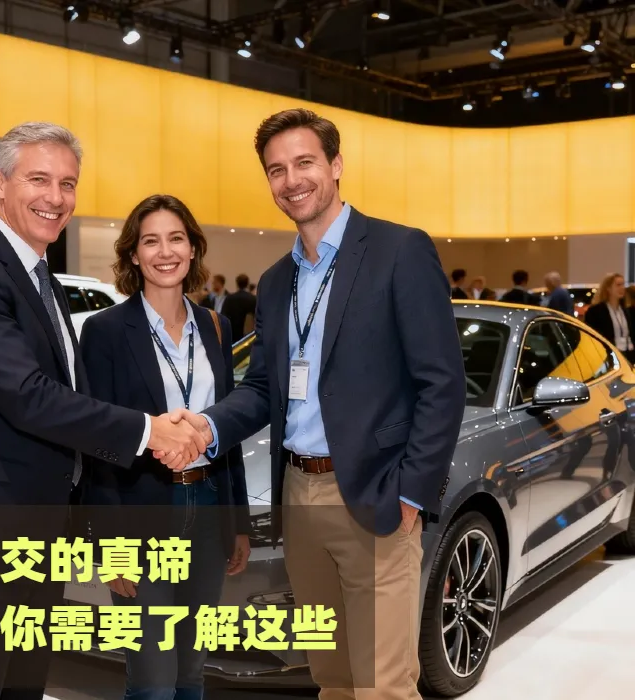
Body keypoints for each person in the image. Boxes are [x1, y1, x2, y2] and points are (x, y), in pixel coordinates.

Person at [163, 108, 465, 700]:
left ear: (336, 165)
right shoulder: (278, 280)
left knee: (383, 685)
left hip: (375, 497)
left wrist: (411, 493)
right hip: (298, 496)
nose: (291, 180)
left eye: (304, 163)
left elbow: (442, 382)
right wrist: (205, 425)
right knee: (332, 679)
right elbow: (263, 388)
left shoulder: (399, 250)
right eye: (276, 170)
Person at [0, 122, 206, 699]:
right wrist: (148, 430)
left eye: (67, 184)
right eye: (38, 179)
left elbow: (65, 393)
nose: (56, 197)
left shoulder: (37, 275)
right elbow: (28, 395)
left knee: (21, 686)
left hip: (37, 529)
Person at [79, 193, 252, 700]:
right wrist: (108, 545)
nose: (165, 251)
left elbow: (226, 429)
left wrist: (238, 520)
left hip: (208, 506)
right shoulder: (105, 331)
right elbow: (96, 443)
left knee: (191, 672)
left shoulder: (215, 326)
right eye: (150, 241)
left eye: (176, 238)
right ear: (133, 255)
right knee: (153, 679)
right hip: (141, 511)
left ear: (193, 248)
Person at [584, 272, 635, 363]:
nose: (622, 288)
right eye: (618, 285)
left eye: (623, 284)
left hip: (629, 355)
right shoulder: (596, 311)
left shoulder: (626, 310)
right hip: (609, 357)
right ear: (608, 288)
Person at [221, 273, 257, 341]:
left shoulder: (229, 298)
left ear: (237, 283)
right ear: (247, 284)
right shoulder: (252, 299)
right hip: (248, 336)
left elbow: (224, 316)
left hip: (232, 334)